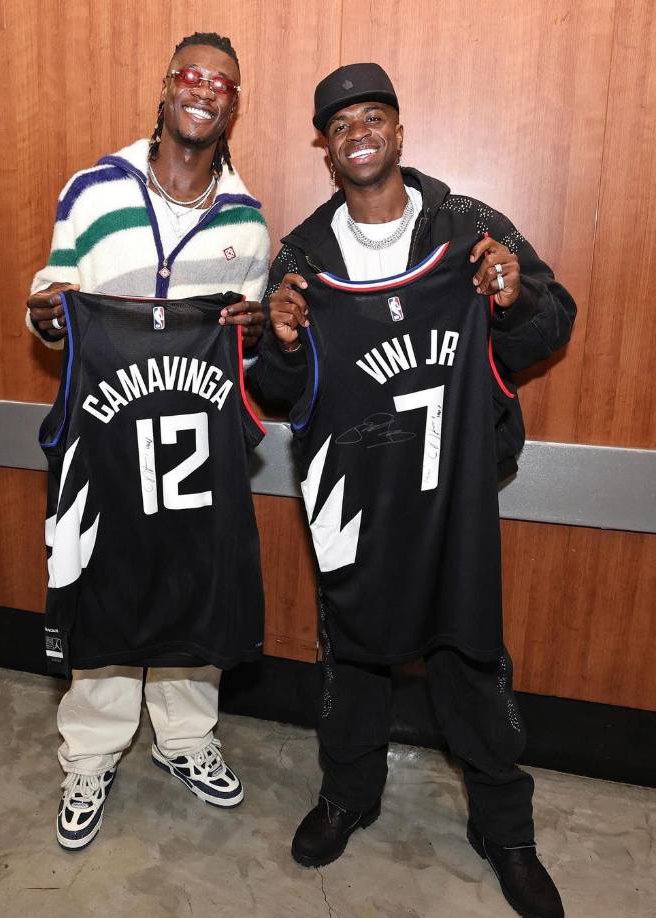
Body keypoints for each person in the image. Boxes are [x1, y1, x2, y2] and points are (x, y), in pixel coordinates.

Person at [251, 64, 575, 918]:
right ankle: (348, 794)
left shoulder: (467, 226)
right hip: (356, 499)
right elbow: (277, 385)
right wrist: (282, 342)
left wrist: (512, 298)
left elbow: (551, 323)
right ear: (325, 147)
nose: (358, 132)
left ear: (398, 131)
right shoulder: (303, 256)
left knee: (470, 654)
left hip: (454, 491)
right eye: (340, 123)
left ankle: (504, 827)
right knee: (352, 652)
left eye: (374, 116)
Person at [26, 32, 269, 850]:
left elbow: (250, 352)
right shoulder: (93, 187)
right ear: (166, 87)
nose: (205, 90)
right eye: (192, 76)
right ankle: (90, 753)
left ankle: (185, 739)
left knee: (192, 587)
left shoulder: (248, 221)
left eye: (223, 84)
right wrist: (46, 313)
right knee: (104, 586)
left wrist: (257, 330)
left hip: (192, 452)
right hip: (104, 442)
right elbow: (52, 296)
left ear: (234, 105)